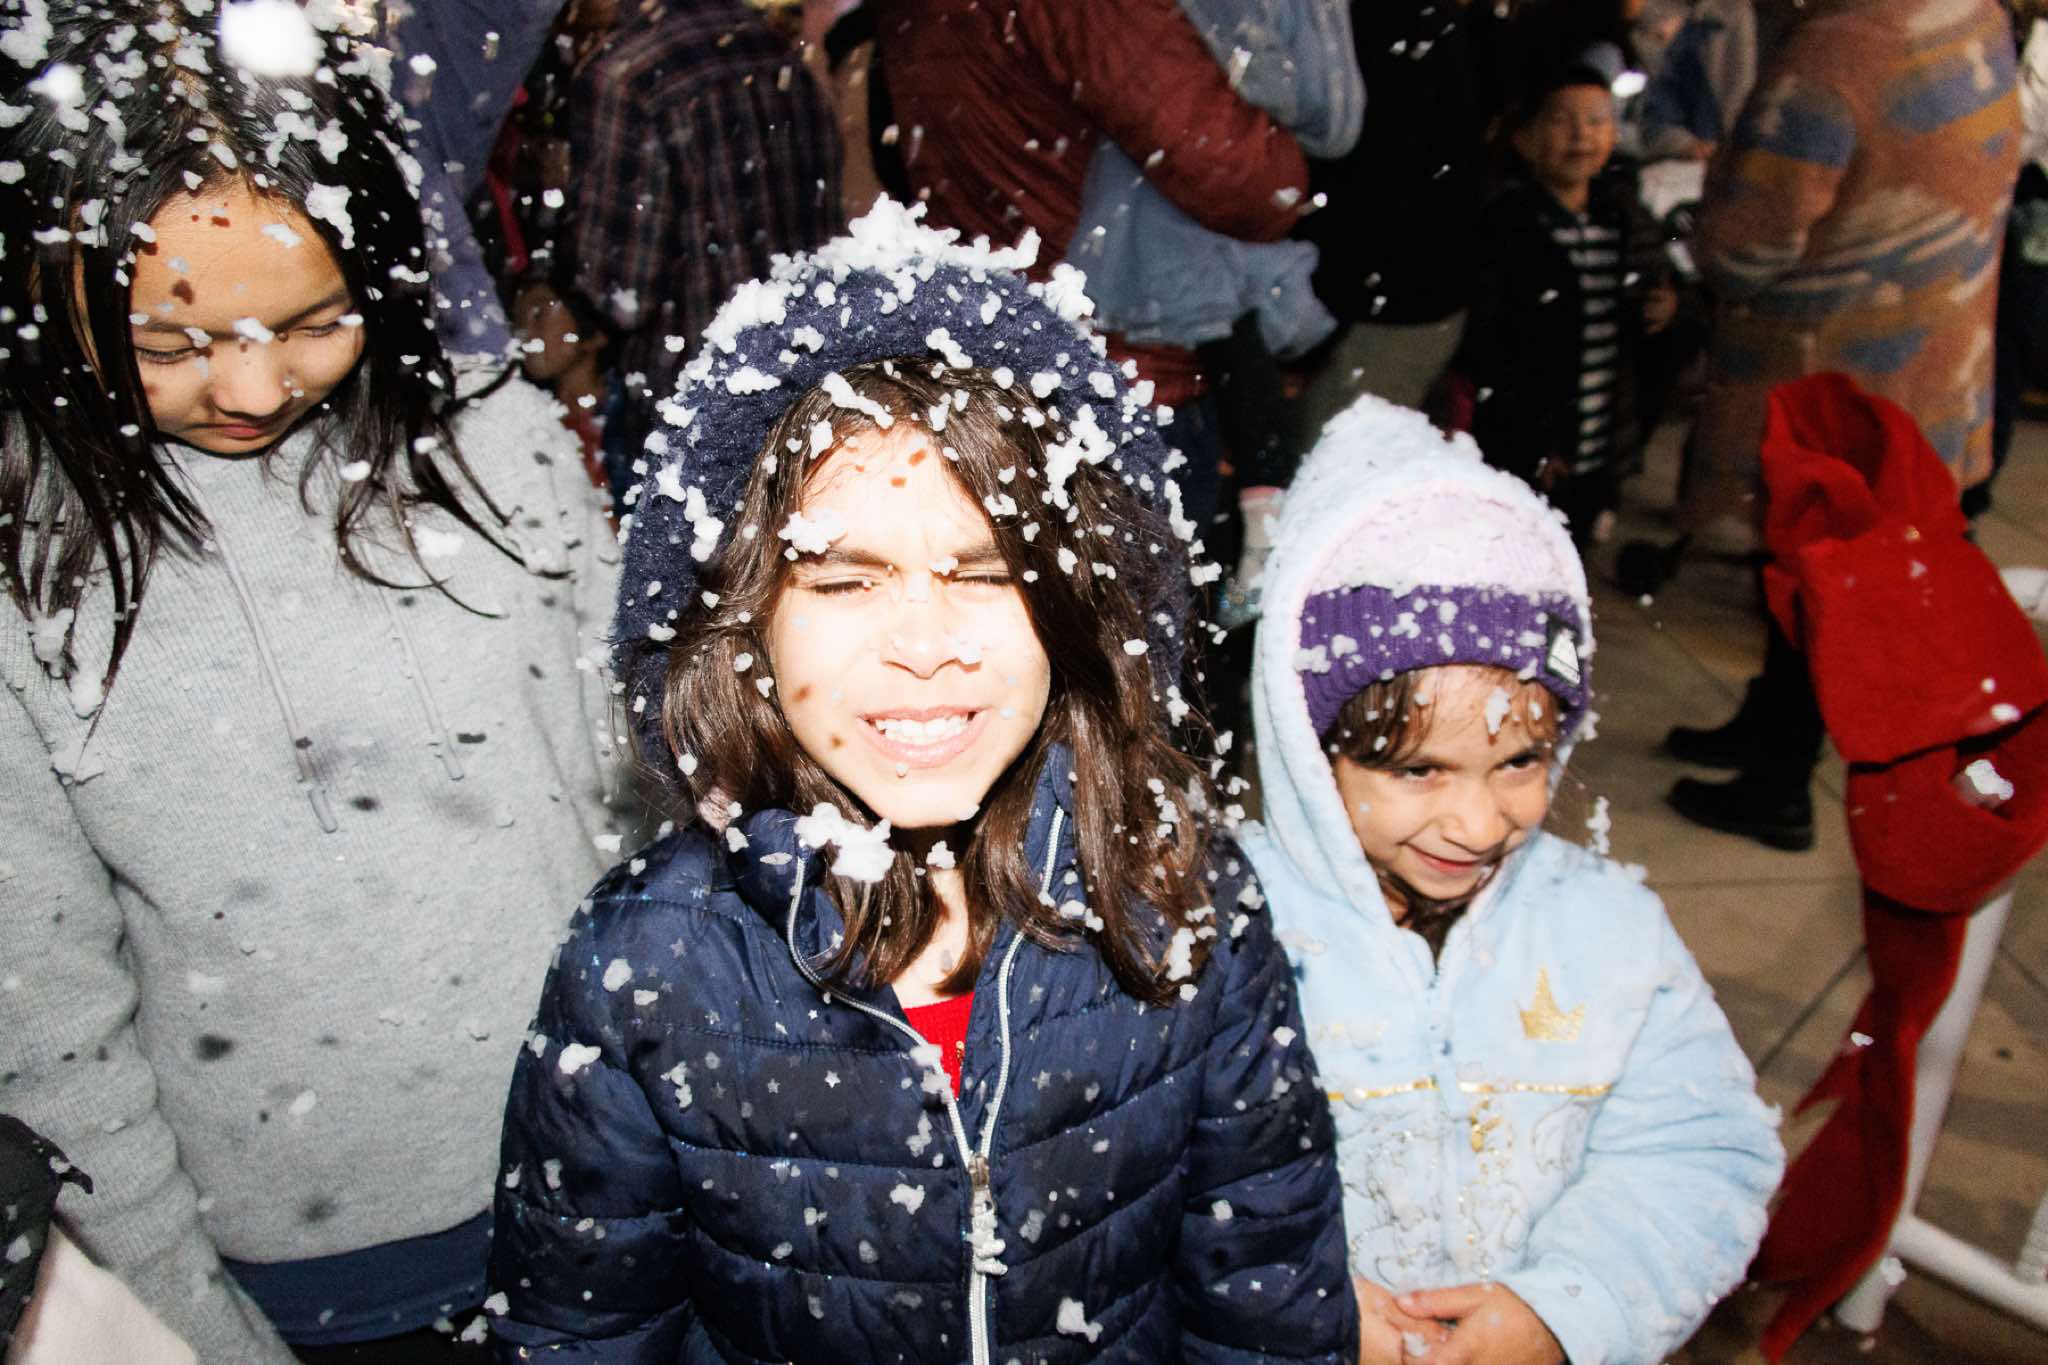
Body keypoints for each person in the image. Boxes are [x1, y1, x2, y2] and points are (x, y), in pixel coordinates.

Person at [485, 201, 1358, 1362]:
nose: (924, 644)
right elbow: (581, 1334)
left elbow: (1267, 1300)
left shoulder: (1181, 899)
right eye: (845, 582)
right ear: (743, 623)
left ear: (1077, 605)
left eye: (986, 573)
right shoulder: (644, 967)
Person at [0, 4, 623, 1360]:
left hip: (612, 1189)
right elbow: (47, 1013)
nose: (251, 384)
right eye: (169, 344)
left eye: (315, 320)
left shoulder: (498, 444)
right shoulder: (29, 568)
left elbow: (632, 795)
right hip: (300, 1279)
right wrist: (193, 1321)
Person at [1241, 396, 1784, 1365]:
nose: (1478, 822)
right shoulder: (1220, 936)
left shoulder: (1609, 933)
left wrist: (1570, 1309)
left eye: (1519, 761)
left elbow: (1701, 1152)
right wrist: (1292, 1299)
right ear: (1308, 750)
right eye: (1419, 770)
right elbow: (1149, 1190)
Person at [1666, 0, 2020, 849]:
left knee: (1815, 577)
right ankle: (1768, 730)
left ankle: (1781, 779)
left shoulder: (1839, 50)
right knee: (1826, 574)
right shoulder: (1976, 16)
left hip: (1831, 383)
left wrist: (1702, 231)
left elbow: (1746, 244)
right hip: (1934, 371)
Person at [869, 0, 1312, 549]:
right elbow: (1237, 172)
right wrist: (1301, 153)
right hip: (1121, 364)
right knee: (1133, 589)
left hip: (998, 353)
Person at [567, 0, 842, 472]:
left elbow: (620, 293)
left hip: (691, 416)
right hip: (804, 388)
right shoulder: (773, 49)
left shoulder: (624, 76)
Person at [1444, 59, 1679, 544]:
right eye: (1560, 120)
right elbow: (1489, 349)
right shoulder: (1508, 228)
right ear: (1523, 138)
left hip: (1601, 443)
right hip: (1530, 446)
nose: (1581, 135)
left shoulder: (1626, 222)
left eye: (1597, 120)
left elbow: (1664, 312)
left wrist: (1670, 310)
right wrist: (1530, 440)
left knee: (1574, 555)